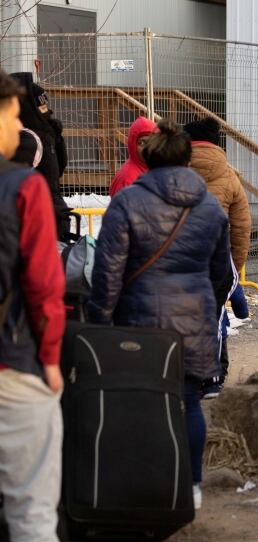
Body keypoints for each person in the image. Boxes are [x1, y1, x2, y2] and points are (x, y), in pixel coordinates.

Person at [87, 118, 232, 511]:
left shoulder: (128, 202)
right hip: (195, 317)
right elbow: (223, 274)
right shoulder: (210, 208)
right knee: (190, 402)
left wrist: (100, 320)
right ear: (188, 159)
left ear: (147, 159)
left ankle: (145, 482)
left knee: (139, 402)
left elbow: (108, 270)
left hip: (139, 320)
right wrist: (208, 306)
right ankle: (193, 485)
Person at [0, 68, 65, 542]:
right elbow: (44, 285)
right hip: (14, 361)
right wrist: (50, 359)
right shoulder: (24, 186)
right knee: (32, 511)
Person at [183, 117, 250, 397]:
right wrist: (235, 263)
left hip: (180, 258)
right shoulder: (229, 175)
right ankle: (214, 376)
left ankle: (183, 374)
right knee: (215, 316)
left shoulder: (176, 170)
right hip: (216, 257)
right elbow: (242, 224)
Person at [11, 72, 70, 240]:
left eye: (46, 107)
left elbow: (58, 168)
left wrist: (57, 139)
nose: (46, 112)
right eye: (41, 108)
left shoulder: (46, 133)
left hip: (53, 210)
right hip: (40, 219)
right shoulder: (26, 140)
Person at [109, 116, 157, 197]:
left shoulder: (155, 168)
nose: (148, 147)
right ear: (133, 145)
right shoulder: (127, 179)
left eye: (151, 142)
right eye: (142, 143)